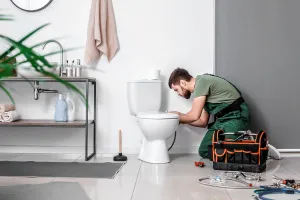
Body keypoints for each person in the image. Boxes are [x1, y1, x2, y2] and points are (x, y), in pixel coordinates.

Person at [168, 68, 251, 159]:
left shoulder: (202, 82)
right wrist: (181, 120)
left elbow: (193, 115)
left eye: (176, 90)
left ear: (183, 83)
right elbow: (202, 121)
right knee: (204, 150)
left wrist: (176, 117)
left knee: (229, 151)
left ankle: (246, 146)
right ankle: (233, 146)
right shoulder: (201, 91)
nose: (178, 94)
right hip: (222, 120)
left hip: (236, 117)